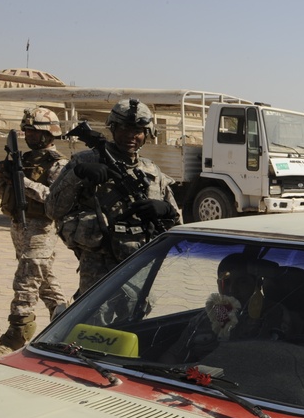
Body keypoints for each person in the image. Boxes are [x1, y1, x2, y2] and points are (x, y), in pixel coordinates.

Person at [46, 99, 182, 297]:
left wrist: (166, 210)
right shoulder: (85, 161)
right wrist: (77, 174)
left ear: (147, 134)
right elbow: (52, 209)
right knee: (95, 323)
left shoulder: (151, 171)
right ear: (113, 128)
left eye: (138, 130)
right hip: (98, 269)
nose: (131, 135)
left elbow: (176, 221)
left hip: (140, 265)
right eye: (124, 128)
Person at [0, 108, 70, 357]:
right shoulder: (20, 160)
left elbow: (53, 197)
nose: (30, 136)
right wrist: (3, 175)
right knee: (42, 279)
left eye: (35, 131)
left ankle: (17, 335)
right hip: (18, 225)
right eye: (27, 131)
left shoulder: (59, 164)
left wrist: (22, 181)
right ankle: (67, 322)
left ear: (49, 133)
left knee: (25, 281)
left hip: (41, 229)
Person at [163, 253, 291, 363]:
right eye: (226, 282)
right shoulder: (206, 317)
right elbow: (174, 354)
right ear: (218, 284)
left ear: (258, 284)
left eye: (242, 282)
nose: (232, 290)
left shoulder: (273, 314)